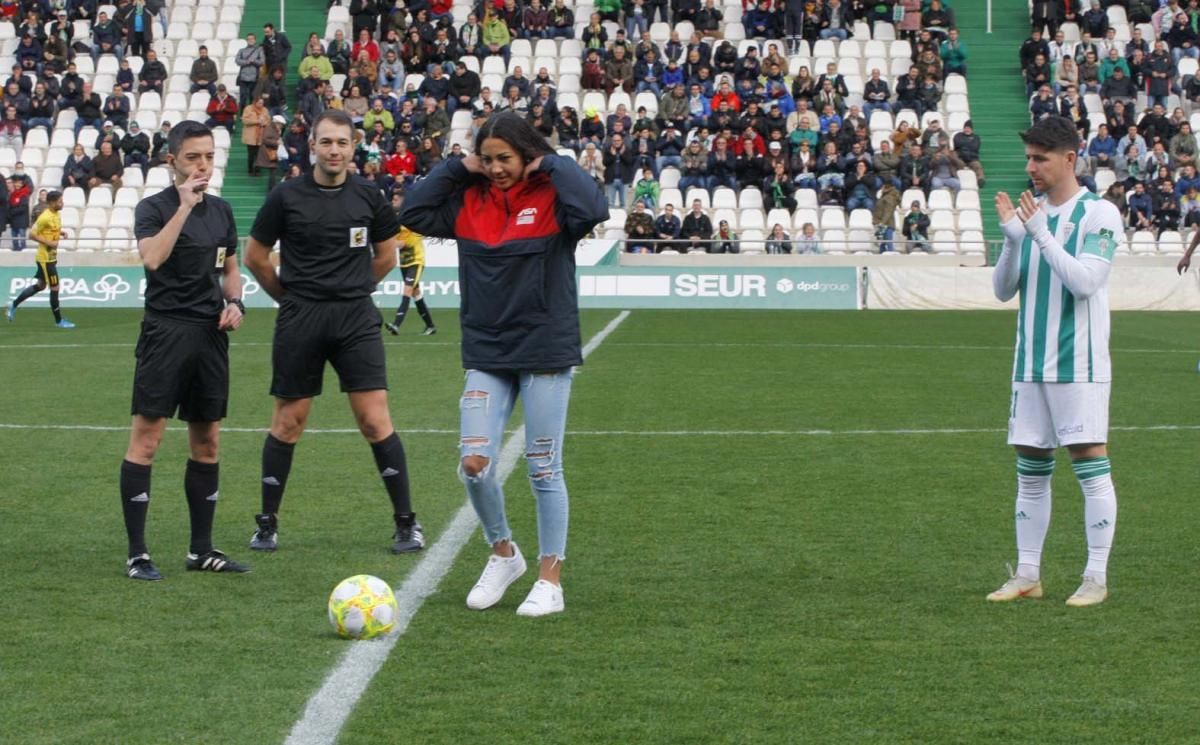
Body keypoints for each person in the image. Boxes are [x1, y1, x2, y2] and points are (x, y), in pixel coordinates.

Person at [397, 112, 608, 616]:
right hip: (488, 352)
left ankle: (549, 579)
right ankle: (503, 553)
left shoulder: (555, 199)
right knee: (473, 465)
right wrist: (457, 167)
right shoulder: (469, 201)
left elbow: (595, 207)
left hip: (545, 351)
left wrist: (550, 163)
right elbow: (413, 210)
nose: (494, 169)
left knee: (542, 467)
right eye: (487, 159)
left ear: (527, 156)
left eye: (504, 159)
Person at [243, 110, 424, 555]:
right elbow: (255, 256)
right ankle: (267, 523)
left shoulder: (368, 194)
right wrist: (287, 297)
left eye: (342, 143)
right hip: (300, 317)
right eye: (326, 142)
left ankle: (406, 523)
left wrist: (356, 287)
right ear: (313, 148)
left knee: (374, 419)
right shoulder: (286, 196)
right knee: (288, 422)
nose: (335, 151)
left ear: (352, 147)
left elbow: (384, 255)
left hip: (354, 319)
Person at [990, 115, 1122, 608]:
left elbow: (1086, 282)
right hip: (1030, 362)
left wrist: (1040, 234)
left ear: (1070, 158)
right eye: (1028, 158)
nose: (1031, 168)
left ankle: (1095, 576)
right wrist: (1012, 239)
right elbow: (1004, 291)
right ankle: (1027, 574)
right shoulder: (1032, 215)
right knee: (1031, 468)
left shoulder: (1099, 214)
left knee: (1090, 462)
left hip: (1078, 363)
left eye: (1040, 158)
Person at [120, 121, 250, 581]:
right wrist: (184, 205)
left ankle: (202, 550)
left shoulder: (223, 211)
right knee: (148, 439)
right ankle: (138, 553)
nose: (203, 165)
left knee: (207, 442)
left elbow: (230, 268)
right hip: (165, 332)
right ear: (171, 159)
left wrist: (235, 302)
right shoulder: (153, 208)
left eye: (209, 156)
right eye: (193, 156)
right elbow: (152, 258)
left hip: (209, 336)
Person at [7, 191, 74, 328]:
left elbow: (51, 229)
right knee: (55, 287)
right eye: (60, 201)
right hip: (45, 259)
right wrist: (50, 243)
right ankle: (59, 321)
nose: (62, 203)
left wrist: (61, 232)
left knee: (41, 285)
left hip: (51, 257)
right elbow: (31, 235)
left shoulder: (56, 214)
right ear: (52, 202)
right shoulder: (44, 217)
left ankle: (14, 304)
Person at [385, 192, 437, 336]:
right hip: (404, 263)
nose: (392, 201)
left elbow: (404, 243)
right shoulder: (397, 220)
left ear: (402, 201)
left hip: (415, 260)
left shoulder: (410, 219)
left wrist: (386, 245)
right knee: (416, 293)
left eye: (395, 199)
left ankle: (396, 324)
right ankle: (430, 326)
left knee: (407, 291)